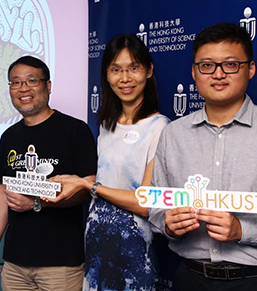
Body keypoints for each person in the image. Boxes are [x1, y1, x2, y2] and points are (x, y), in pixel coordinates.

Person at [149, 22, 257, 290]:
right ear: (194, 72)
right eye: (207, 65)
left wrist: (243, 230)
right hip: (190, 278)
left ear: (250, 69)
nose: (218, 74)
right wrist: (167, 224)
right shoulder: (173, 134)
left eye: (230, 64)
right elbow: (156, 204)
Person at [46, 35, 170, 290]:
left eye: (133, 68)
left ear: (149, 70)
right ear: (106, 75)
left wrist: (87, 185)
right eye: (116, 70)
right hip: (96, 246)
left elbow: (145, 203)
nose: (125, 78)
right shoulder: (106, 125)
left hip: (133, 250)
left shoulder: (160, 127)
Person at [0, 55, 98, 291]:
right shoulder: (9, 137)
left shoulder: (75, 130)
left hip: (60, 264)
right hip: (14, 262)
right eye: (15, 82)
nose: (23, 88)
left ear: (48, 86)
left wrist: (37, 203)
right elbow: (3, 192)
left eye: (31, 80)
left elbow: (88, 189)